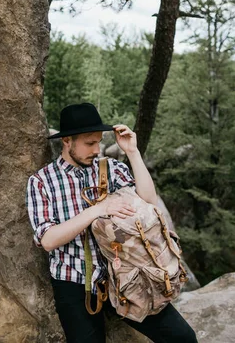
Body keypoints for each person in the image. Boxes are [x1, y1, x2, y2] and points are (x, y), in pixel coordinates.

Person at [26, 103, 198, 343]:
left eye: (99, 141)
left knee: (183, 338)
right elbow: (48, 240)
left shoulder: (111, 168)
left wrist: (132, 152)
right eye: (89, 143)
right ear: (67, 141)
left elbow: (149, 200)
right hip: (75, 283)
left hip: (125, 277)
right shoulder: (42, 181)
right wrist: (98, 210)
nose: (97, 149)